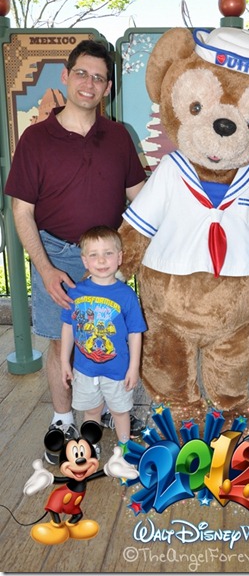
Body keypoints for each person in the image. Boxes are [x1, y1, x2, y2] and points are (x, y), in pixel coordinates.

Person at [4, 40, 147, 463]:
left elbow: (140, 198)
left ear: (107, 89)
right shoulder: (35, 138)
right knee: (61, 345)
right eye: (82, 73)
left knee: (113, 338)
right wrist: (45, 269)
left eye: (99, 78)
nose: (89, 83)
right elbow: (21, 211)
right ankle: (65, 419)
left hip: (108, 260)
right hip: (59, 257)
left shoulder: (119, 137)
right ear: (66, 77)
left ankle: (107, 410)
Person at [61, 226, 147, 452]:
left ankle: (125, 449)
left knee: (120, 411)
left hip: (118, 369)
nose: (101, 260)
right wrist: (64, 362)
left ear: (119, 257)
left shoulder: (126, 295)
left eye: (108, 253)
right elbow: (68, 327)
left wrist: (134, 367)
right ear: (85, 261)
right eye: (94, 254)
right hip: (85, 368)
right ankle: (89, 447)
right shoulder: (76, 293)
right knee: (91, 411)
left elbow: (135, 332)